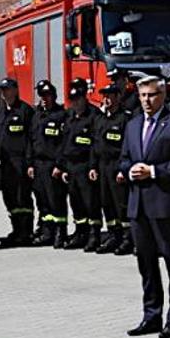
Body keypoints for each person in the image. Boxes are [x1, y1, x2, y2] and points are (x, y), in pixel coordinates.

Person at [118, 75, 170, 338]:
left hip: (164, 204)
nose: (147, 101)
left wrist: (152, 171)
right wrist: (129, 171)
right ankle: (151, 315)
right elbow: (124, 159)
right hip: (138, 206)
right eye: (143, 96)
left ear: (163, 96)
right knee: (146, 264)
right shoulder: (133, 124)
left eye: (152, 95)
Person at [60, 82, 102, 250]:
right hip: (71, 165)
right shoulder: (69, 116)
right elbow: (64, 143)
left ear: (84, 98)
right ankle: (80, 231)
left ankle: (94, 234)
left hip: (86, 165)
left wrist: (93, 166)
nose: (75, 103)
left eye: (77, 99)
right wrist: (63, 166)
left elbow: (95, 145)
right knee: (75, 201)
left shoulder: (93, 115)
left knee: (90, 201)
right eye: (72, 100)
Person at [0, 78, 36, 247]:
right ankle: (16, 229)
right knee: (10, 197)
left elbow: (30, 139)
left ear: (16, 90)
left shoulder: (25, 111)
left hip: (21, 162)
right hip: (6, 163)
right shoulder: (1, 112)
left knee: (23, 197)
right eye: (3, 90)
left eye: (8, 89)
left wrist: (29, 162)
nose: (5, 93)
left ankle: (26, 231)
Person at [92, 83, 132, 254]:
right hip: (102, 166)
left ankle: (127, 238)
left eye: (110, 95)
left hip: (117, 166)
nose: (106, 99)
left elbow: (128, 146)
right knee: (106, 202)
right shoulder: (100, 119)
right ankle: (113, 236)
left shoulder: (125, 118)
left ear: (118, 97)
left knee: (121, 204)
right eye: (104, 95)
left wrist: (124, 169)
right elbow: (95, 144)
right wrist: (93, 166)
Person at [30, 80, 69, 247]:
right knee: (42, 201)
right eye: (41, 96)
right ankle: (47, 231)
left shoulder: (61, 115)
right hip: (38, 164)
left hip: (53, 165)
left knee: (56, 200)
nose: (44, 99)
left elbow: (65, 143)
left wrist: (59, 165)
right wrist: (30, 164)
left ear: (54, 96)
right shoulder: (37, 115)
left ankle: (61, 231)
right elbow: (31, 141)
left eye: (47, 95)